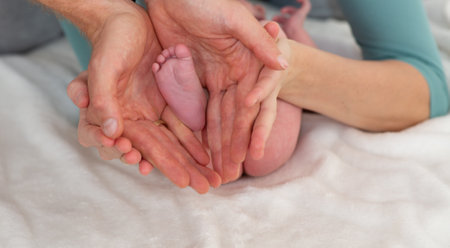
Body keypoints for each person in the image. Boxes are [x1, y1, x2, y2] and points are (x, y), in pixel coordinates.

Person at [41, 0, 448, 191]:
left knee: (256, 147)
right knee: (246, 146)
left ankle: (199, 100)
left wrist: (289, 64)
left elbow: (427, 89)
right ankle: (193, 102)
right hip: (172, 34)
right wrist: (101, 15)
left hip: (233, 40)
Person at [150, 0, 314, 179]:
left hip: (221, 131)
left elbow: (312, 72)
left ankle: (192, 112)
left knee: (277, 42)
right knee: (276, 41)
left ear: (258, 9)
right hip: (258, 139)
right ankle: (192, 108)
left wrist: (293, 29)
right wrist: (296, 31)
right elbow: (315, 74)